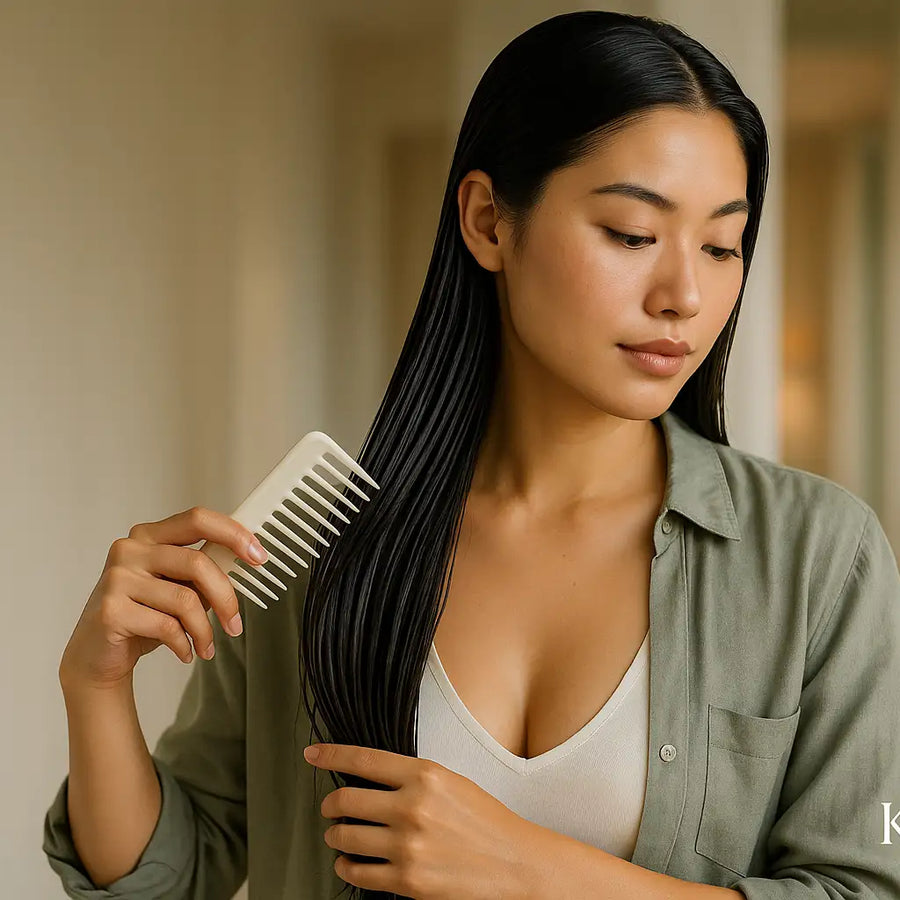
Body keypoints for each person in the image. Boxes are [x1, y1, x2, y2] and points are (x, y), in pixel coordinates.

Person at [44, 10, 900, 900]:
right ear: (489, 220)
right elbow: (168, 879)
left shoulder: (817, 559)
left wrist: (532, 869)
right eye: (632, 235)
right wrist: (94, 688)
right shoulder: (319, 542)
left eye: (723, 246)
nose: (685, 293)